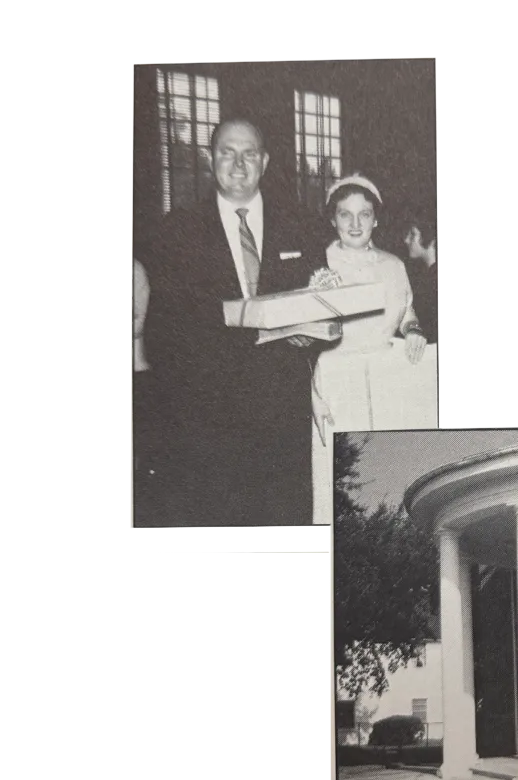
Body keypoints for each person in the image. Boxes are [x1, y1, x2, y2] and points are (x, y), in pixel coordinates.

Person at [143, 118, 319, 526]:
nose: (238, 164)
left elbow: (325, 309)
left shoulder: (303, 226)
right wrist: (237, 317)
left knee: (283, 532)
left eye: (249, 153)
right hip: (209, 428)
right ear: (209, 159)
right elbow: (162, 334)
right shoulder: (177, 232)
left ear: (266, 161)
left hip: (282, 425)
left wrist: (311, 335)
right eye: (227, 152)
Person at [310, 175, 434, 522]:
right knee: (338, 469)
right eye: (345, 214)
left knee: (388, 461)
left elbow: (406, 313)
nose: (354, 223)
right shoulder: (316, 264)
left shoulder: (394, 265)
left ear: (375, 219)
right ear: (333, 219)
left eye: (364, 214)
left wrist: (413, 331)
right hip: (337, 378)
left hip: (387, 376)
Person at [401, 203, 440, 346]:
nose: (406, 240)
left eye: (413, 234)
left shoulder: (433, 281)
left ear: (430, 238)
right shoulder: (430, 275)